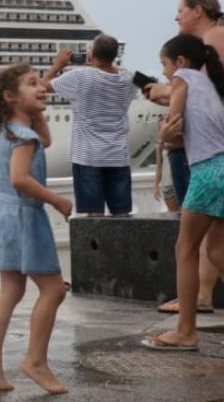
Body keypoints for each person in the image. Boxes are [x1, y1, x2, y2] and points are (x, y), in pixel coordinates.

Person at [0, 64, 70, 393]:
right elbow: (19, 179)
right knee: (54, 290)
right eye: (32, 84)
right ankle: (35, 361)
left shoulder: (9, 131)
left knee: (11, 290)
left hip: (6, 215)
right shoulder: (23, 137)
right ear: (11, 97)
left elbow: (47, 138)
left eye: (41, 82)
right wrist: (56, 199)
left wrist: (36, 104)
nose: (41, 87)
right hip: (26, 216)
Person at [144, 35, 224, 352]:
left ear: (179, 62)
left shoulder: (183, 78)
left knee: (186, 249)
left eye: (164, 64)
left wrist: (163, 136)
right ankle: (186, 329)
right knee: (217, 251)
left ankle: (186, 331)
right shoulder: (211, 85)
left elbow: (173, 127)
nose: (164, 72)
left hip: (207, 172)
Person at [43, 35, 140, 216]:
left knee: (94, 216)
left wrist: (58, 65)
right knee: (122, 215)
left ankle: (101, 245)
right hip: (118, 155)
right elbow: (147, 82)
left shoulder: (79, 76)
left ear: (92, 54)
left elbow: (42, 87)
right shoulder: (129, 78)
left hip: (88, 157)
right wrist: (106, 64)